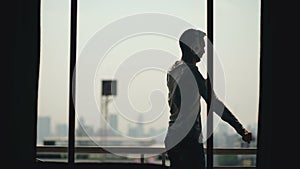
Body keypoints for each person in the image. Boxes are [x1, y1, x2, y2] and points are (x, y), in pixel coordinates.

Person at [164, 28, 252, 169]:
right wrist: (241, 130)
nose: (204, 51)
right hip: (188, 139)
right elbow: (214, 103)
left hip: (173, 136)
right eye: (202, 47)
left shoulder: (172, 69)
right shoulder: (191, 72)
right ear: (194, 47)